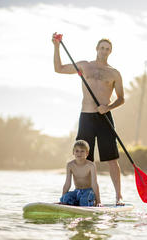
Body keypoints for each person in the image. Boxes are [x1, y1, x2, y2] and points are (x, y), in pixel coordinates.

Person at [52, 33, 125, 205]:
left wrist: (108, 107)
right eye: (102, 48)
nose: (104, 51)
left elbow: (121, 98)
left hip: (104, 117)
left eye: (107, 49)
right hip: (86, 116)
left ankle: (118, 196)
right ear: (96, 49)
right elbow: (59, 68)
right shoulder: (85, 66)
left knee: (112, 159)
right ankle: (83, 194)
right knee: (83, 159)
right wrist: (56, 47)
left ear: (110, 52)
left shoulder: (114, 73)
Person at [60, 140, 102, 207]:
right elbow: (67, 183)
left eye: (82, 151)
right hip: (77, 191)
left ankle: (89, 202)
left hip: (88, 191)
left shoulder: (91, 165)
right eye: (77, 151)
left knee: (84, 200)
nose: (79, 153)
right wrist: (62, 199)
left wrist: (98, 201)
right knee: (66, 198)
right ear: (73, 152)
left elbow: (94, 184)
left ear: (87, 153)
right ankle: (76, 202)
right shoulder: (70, 165)